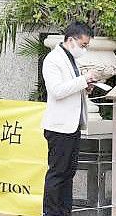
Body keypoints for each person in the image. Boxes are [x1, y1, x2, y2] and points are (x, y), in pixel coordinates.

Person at [41, 22, 96, 216]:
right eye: (83, 45)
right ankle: (51, 212)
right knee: (57, 173)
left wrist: (86, 87)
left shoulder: (71, 59)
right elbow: (56, 91)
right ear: (70, 40)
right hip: (59, 127)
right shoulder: (53, 59)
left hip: (72, 126)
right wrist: (83, 80)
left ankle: (64, 211)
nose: (84, 49)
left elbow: (71, 88)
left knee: (68, 173)